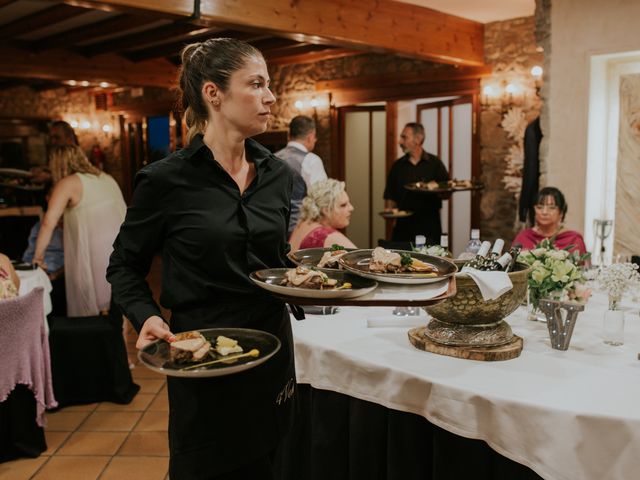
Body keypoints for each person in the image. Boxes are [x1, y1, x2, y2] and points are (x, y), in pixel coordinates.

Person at [106, 38, 296, 479]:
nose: (271, 97)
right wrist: (145, 316)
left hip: (273, 347)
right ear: (214, 93)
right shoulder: (165, 181)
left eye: (270, 85)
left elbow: (274, 259)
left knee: (274, 462)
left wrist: (309, 275)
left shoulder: (278, 176)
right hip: (203, 355)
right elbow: (124, 266)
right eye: (257, 84)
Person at [33, 145, 126, 316]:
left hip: (94, 247)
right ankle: (112, 334)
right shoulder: (106, 178)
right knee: (110, 301)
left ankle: (90, 333)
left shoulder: (67, 183)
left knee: (89, 296)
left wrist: (37, 257)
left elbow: (48, 222)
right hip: (119, 245)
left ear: (57, 165)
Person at [383, 122, 449, 244]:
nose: (400, 142)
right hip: (403, 229)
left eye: (404, 137)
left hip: (430, 228)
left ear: (418, 139)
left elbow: (447, 193)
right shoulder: (397, 166)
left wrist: (436, 188)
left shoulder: (435, 164)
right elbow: (390, 196)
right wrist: (389, 213)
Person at [512, 187, 587, 254]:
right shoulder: (524, 237)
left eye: (552, 207)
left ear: (561, 213)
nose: (544, 212)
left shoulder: (573, 239)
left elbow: (583, 268)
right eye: (539, 207)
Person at [289, 178, 356, 251]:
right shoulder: (327, 236)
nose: (351, 208)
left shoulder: (303, 223)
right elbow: (360, 259)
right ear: (326, 210)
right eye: (343, 205)